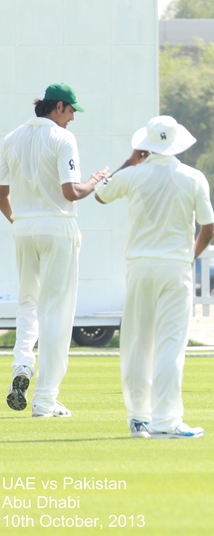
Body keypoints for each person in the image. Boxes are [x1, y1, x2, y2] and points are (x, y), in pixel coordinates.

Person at [95, 116, 214, 438]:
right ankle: (166, 421)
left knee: (136, 342)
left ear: (147, 143)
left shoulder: (134, 174)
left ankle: (138, 418)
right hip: (175, 267)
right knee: (169, 346)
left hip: (139, 266)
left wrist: (131, 161)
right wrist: (189, 257)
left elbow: (100, 194)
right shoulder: (193, 177)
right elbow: (209, 229)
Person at [1, 84, 109, 417]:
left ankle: (22, 366)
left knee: (28, 303)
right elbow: (71, 191)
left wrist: (18, 221)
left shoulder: (11, 138)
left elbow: (1, 193)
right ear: (58, 107)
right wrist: (95, 181)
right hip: (57, 226)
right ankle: (45, 399)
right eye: (71, 111)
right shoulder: (62, 139)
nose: (73, 117)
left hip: (24, 227)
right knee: (57, 312)